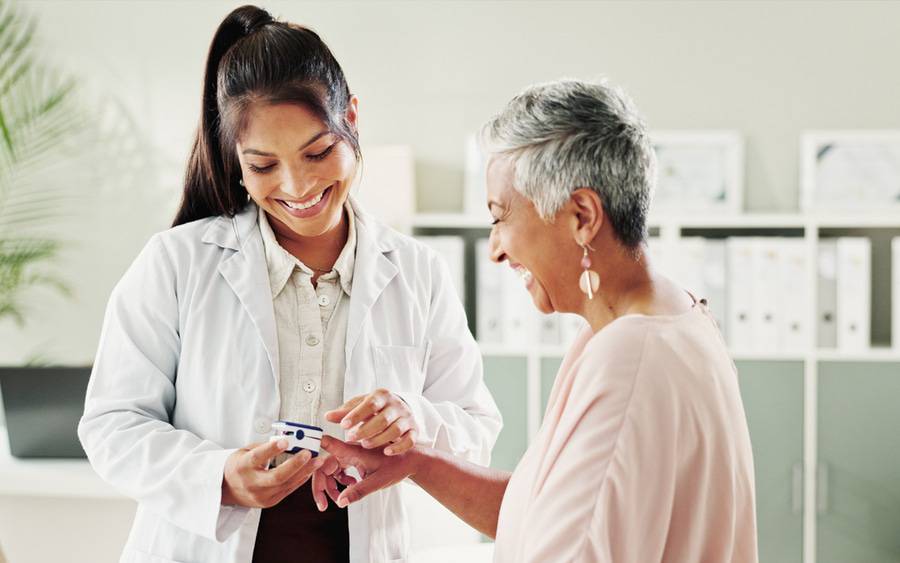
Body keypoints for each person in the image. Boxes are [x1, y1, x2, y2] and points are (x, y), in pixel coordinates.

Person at [77, 5, 501, 563]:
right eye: (263, 166)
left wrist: (411, 417)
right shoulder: (176, 263)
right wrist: (220, 476)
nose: (298, 186)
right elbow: (112, 424)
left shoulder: (418, 272)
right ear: (236, 160)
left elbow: (476, 427)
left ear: (351, 117)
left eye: (318, 152)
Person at [318, 79, 759, 562]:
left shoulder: (630, 356)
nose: (496, 249)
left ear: (582, 217)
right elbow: (542, 515)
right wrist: (415, 462)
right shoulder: (667, 316)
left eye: (500, 217)